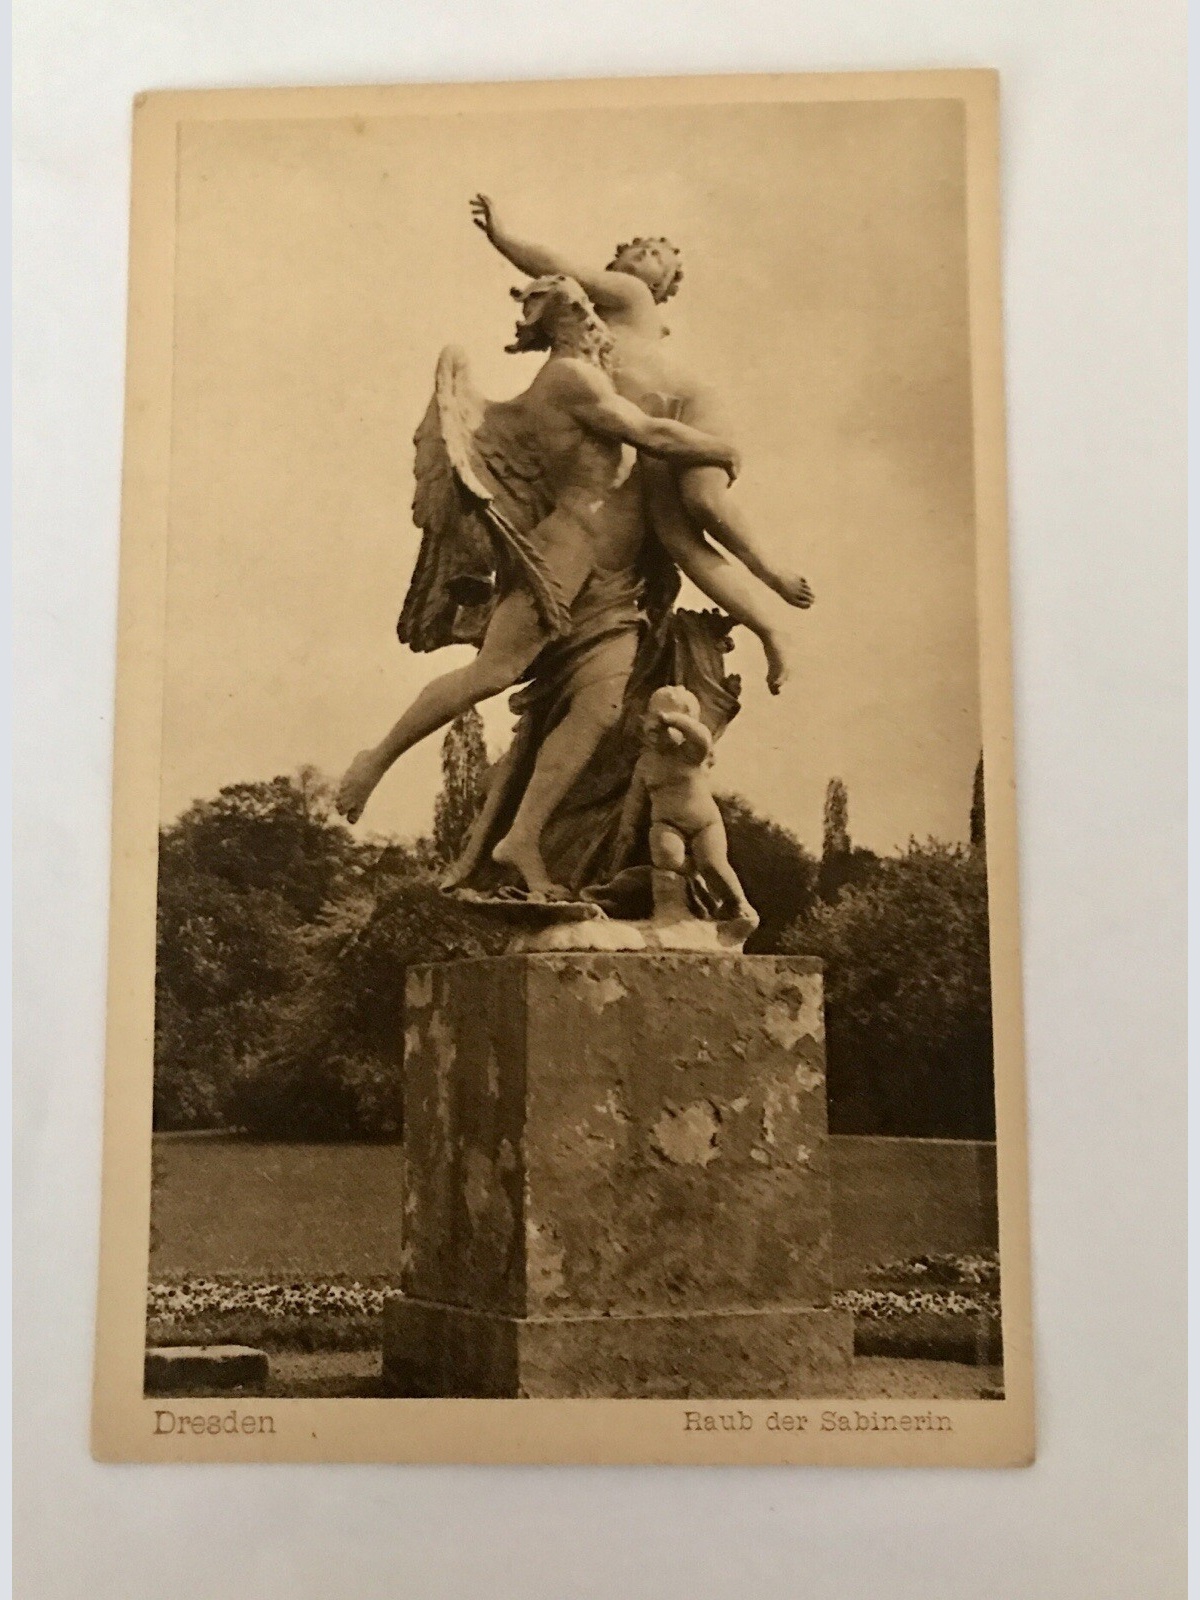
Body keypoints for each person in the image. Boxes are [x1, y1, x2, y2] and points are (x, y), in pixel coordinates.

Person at [336, 276, 740, 900]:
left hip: (612, 584)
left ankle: (523, 836)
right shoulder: (568, 381)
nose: (596, 322)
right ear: (568, 324)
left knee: (600, 710)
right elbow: (651, 436)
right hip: (564, 555)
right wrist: (721, 447)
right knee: (494, 672)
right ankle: (376, 759)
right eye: (583, 312)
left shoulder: (589, 376)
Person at [470, 195, 814, 692]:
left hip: (686, 409)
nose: (646, 257)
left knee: (703, 499)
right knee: (679, 540)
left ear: (660, 287)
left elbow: (559, 265)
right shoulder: (596, 320)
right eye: (642, 250)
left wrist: (502, 237)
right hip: (650, 431)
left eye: (659, 258)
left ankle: (771, 569)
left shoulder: (632, 296)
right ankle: (770, 629)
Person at [616, 684, 757, 930]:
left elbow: (701, 736)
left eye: (666, 728)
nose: (658, 734)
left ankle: (738, 903)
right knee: (665, 856)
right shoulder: (646, 763)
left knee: (713, 863)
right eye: (653, 728)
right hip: (666, 824)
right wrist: (626, 827)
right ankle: (672, 912)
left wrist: (674, 719)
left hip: (705, 824)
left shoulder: (691, 753)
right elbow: (635, 799)